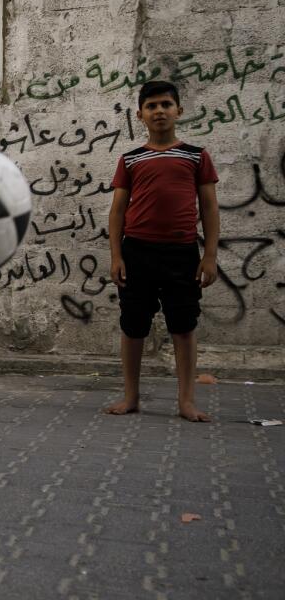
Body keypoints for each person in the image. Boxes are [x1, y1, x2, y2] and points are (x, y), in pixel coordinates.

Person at [103, 80, 219, 422]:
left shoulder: (196, 156)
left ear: (178, 111)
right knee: (133, 325)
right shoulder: (131, 159)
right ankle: (131, 397)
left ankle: (185, 401)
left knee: (183, 326)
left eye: (166, 104)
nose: (159, 111)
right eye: (151, 106)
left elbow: (210, 208)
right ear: (140, 115)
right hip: (137, 251)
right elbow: (118, 211)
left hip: (182, 253)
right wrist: (116, 256)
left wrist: (209, 256)